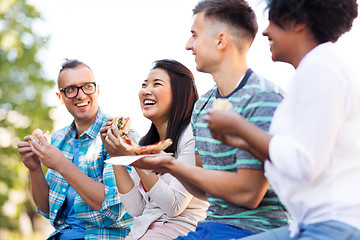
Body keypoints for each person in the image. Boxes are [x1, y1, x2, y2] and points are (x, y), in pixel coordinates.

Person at [131, 0, 290, 239]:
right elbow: (204, 191)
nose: (188, 45)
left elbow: (249, 194)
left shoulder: (264, 98)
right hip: (212, 226)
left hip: (254, 230)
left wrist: (171, 166)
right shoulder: (202, 106)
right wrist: (164, 164)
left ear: (220, 40)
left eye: (194, 36)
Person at [205, 0, 360, 239]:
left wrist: (239, 126)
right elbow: (296, 155)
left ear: (297, 22)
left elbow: (303, 163)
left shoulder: (320, 70)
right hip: (308, 223)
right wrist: (242, 142)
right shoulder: (314, 71)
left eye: (273, 21)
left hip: (334, 227)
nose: (265, 31)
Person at [17, 59, 134, 239]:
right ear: (60, 97)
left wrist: (62, 165)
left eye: (87, 86)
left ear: (97, 90)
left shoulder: (118, 134)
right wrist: (34, 168)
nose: (80, 95)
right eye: (71, 89)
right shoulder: (58, 140)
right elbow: (47, 209)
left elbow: (115, 208)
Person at [99, 59, 209, 240]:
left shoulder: (192, 134)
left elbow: (174, 207)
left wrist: (135, 156)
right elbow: (136, 208)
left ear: (179, 93)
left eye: (156, 84)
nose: (146, 91)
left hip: (179, 231)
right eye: (144, 85)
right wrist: (116, 155)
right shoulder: (146, 141)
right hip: (143, 231)